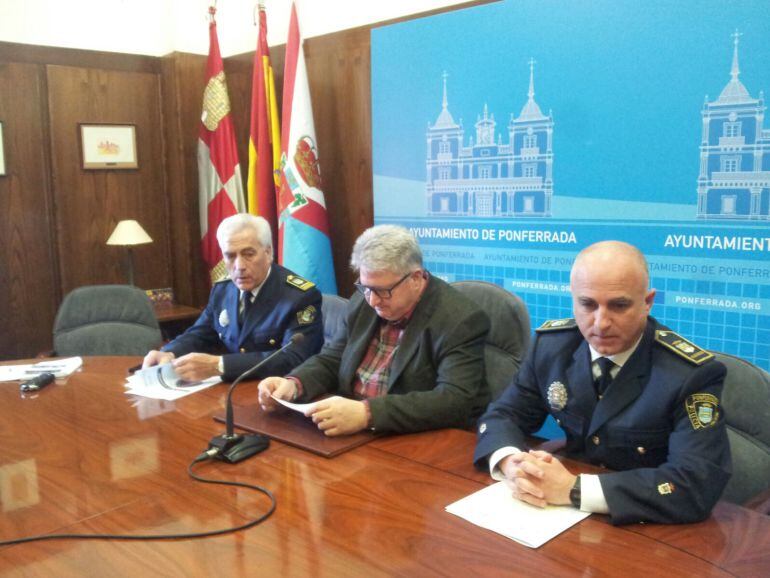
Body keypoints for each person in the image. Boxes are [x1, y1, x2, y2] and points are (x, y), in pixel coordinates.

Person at [474, 240, 731, 525]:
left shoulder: (688, 375)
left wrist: (574, 489)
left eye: (619, 306)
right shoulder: (552, 347)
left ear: (647, 302)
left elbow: (695, 482)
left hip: (644, 522)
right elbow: (504, 414)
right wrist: (511, 462)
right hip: (560, 515)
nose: (600, 323)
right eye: (587, 304)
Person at [258, 224, 491, 436]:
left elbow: (453, 401)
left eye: (382, 291)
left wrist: (367, 414)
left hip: (412, 437)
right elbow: (333, 359)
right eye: (366, 288)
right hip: (349, 427)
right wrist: (294, 385)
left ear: (416, 278)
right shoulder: (364, 300)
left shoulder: (460, 320)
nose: (372, 300)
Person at [142, 214, 323, 382]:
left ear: (268, 253)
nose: (239, 266)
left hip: (275, 391)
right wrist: (170, 352)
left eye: (248, 254)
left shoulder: (299, 296)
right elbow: (201, 333)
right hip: (232, 389)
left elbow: (293, 358)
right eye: (230, 256)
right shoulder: (223, 289)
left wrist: (220, 365)